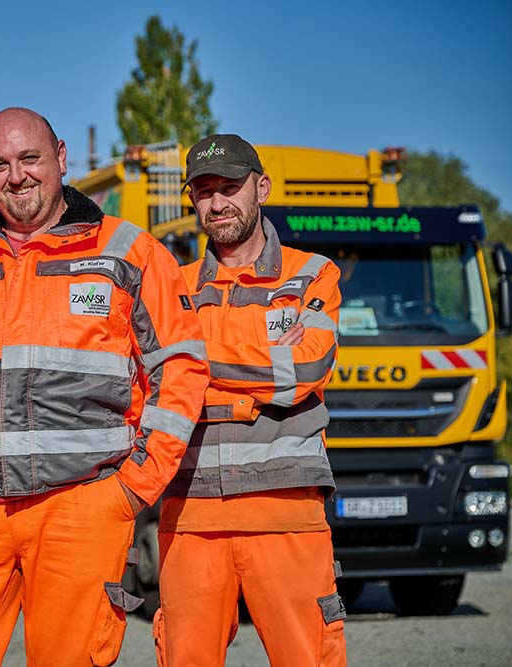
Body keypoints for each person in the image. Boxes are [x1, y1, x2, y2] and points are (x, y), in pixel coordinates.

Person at [0, 107, 209, 666]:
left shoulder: (128, 254)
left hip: (83, 507)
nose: (17, 176)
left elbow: (178, 367)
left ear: (61, 157)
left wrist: (130, 490)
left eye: (30, 158)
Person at [154, 133, 347, 667]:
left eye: (230, 188)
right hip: (190, 513)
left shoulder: (313, 272)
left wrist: (193, 353)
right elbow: (150, 381)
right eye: (204, 191)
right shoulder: (172, 285)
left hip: (286, 509)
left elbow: (304, 368)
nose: (217, 204)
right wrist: (260, 360)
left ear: (261, 187)